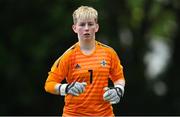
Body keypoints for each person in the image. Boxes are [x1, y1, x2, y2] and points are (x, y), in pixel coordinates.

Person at [44, 5, 125, 116]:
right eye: (82, 24)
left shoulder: (109, 53)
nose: (86, 28)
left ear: (96, 27)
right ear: (75, 28)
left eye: (90, 24)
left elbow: (119, 78)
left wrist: (118, 90)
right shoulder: (68, 56)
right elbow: (49, 84)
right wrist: (66, 88)